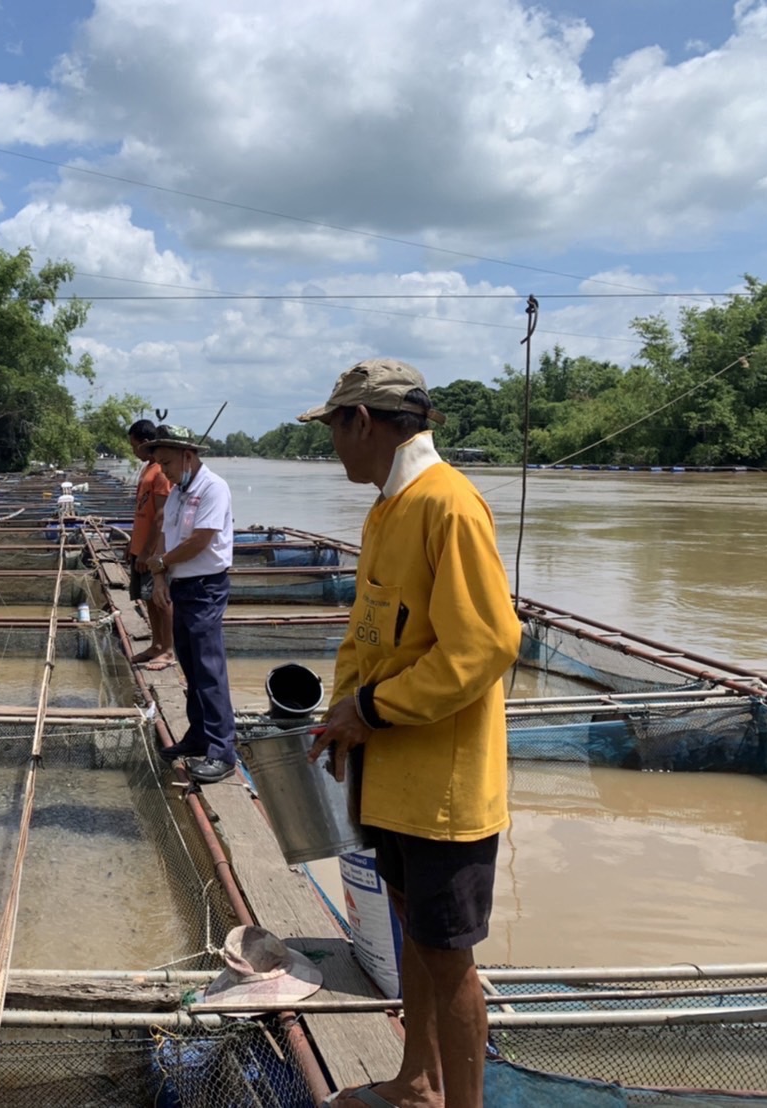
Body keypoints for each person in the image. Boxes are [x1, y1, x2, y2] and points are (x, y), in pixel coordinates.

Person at [296, 359, 520, 1108]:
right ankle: (417, 1081)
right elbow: (366, 634)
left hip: (442, 788)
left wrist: (376, 711)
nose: (333, 448)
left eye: (333, 430)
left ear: (364, 422)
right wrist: (341, 714)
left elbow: (485, 644)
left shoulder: (449, 505)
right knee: (410, 929)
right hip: (389, 773)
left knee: (449, 955)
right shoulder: (387, 509)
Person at [147, 426, 238, 784]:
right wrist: (158, 576)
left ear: (188, 456)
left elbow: (201, 540)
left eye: (167, 463)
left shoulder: (213, 488)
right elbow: (166, 537)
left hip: (206, 587)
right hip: (181, 585)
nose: (164, 471)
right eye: (159, 464)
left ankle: (221, 750)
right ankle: (198, 736)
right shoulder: (178, 493)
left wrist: (161, 564)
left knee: (208, 667)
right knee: (189, 663)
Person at [126, 419, 174, 669]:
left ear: (145, 443)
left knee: (160, 599)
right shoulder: (147, 469)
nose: (133, 451)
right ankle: (156, 644)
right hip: (140, 546)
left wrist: (148, 552)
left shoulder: (161, 472)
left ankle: (167, 649)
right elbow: (142, 511)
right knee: (147, 599)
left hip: (152, 550)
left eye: (134, 446)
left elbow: (161, 516)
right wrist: (134, 546)